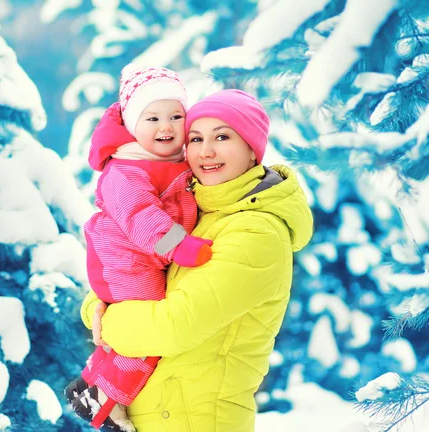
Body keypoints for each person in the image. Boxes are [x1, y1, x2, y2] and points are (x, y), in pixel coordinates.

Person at [81, 89, 314, 431]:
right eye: (195, 138)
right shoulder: (199, 214)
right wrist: (96, 308)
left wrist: (107, 321)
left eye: (222, 136)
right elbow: (131, 276)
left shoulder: (257, 232)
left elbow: (173, 325)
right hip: (159, 417)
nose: (206, 151)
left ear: (252, 149)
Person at [65, 65, 214, 432]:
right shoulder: (126, 169)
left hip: (143, 258)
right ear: (133, 125)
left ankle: (90, 385)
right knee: (148, 331)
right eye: (153, 118)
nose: (165, 127)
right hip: (125, 260)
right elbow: (140, 218)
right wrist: (180, 248)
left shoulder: (172, 162)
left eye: (176, 116)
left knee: (145, 328)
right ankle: (104, 397)